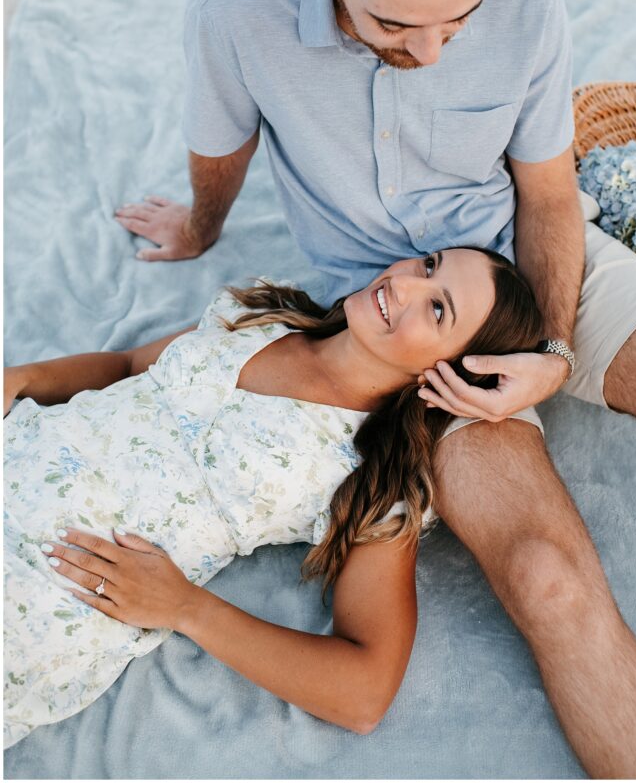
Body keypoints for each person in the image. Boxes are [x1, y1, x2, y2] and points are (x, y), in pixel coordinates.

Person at [113, 0, 636, 777]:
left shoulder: (529, 0)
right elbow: (224, 150)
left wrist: (546, 351)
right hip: (392, 327)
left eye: (458, 22)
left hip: (535, 259)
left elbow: (546, 192)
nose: (431, 53)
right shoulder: (233, 11)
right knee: (547, 582)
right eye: (396, 25)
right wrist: (197, 228)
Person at [4, 247, 544, 749]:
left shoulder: (376, 478)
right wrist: (21, 378)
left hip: (50, 583)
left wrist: (186, 609)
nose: (404, 284)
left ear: (455, 373)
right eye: (429, 265)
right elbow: (127, 368)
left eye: (438, 310)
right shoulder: (267, 314)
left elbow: (365, 692)